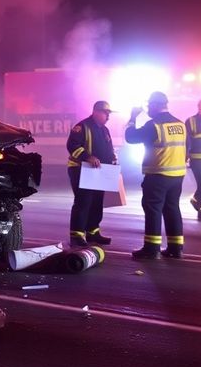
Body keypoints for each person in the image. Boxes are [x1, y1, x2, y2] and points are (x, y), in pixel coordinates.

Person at [125, 92, 187, 259]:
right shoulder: (180, 124)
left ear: (154, 105)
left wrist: (132, 118)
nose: (147, 110)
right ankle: (176, 247)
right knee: (172, 208)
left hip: (158, 175)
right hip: (177, 175)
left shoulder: (154, 125)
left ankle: (152, 249)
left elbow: (130, 137)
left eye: (148, 106)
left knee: (153, 209)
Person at [66, 101, 118, 247]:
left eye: (109, 114)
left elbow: (108, 148)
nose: (108, 116)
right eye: (105, 113)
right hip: (81, 169)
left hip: (98, 171)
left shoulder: (104, 130)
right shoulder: (82, 127)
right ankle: (77, 235)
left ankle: (93, 232)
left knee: (97, 202)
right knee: (83, 202)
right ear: (95, 111)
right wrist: (88, 157)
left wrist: (112, 157)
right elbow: (72, 146)